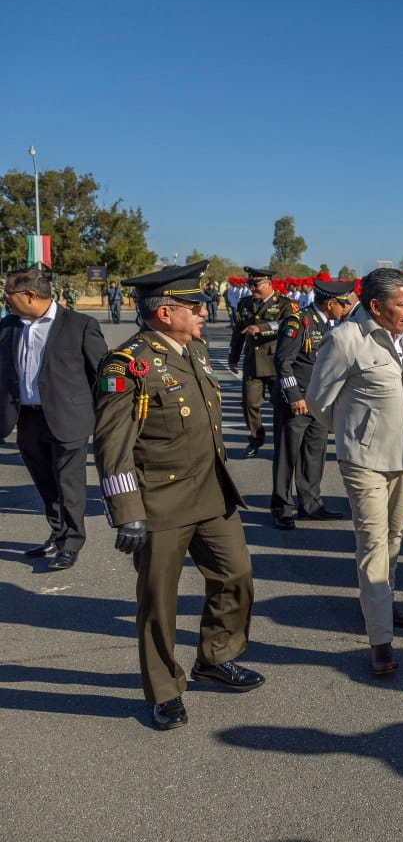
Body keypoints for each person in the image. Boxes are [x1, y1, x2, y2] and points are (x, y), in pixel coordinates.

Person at [93, 261, 263, 730]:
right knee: (158, 601)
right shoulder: (127, 365)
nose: (205, 312)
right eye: (196, 305)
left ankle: (215, 656)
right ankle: (164, 689)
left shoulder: (195, 350)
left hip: (212, 494)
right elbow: (112, 446)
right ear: (165, 312)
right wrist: (126, 512)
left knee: (236, 575)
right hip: (159, 502)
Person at [309, 268, 403, 677]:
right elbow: (319, 402)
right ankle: (380, 638)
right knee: (373, 543)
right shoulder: (346, 339)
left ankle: (384, 601)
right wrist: (354, 435)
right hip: (364, 460)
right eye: (402, 304)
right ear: (375, 307)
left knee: (394, 538)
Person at [1, 266, 107, 570]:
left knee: (69, 483)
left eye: (9, 293)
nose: (5, 298)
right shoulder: (9, 326)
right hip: (27, 418)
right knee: (45, 482)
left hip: (67, 418)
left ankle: (71, 543)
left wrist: (104, 417)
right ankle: (57, 532)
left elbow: (102, 375)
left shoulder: (79, 325)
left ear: (30, 295)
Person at [269, 279, 356, 530]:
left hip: (317, 403)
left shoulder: (331, 324)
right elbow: (283, 362)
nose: (345, 308)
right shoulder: (298, 322)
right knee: (288, 456)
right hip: (295, 402)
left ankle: (310, 504)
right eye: (342, 304)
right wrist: (295, 396)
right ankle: (281, 507)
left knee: (314, 455)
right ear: (330, 304)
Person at [227, 266, 295, 458]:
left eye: (256, 284)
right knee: (249, 404)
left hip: (275, 363)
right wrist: (233, 356)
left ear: (268, 284)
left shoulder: (284, 303)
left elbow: (286, 323)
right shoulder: (245, 303)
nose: (252, 288)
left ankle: (282, 442)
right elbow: (238, 331)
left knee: (281, 406)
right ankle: (255, 439)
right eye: (249, 284)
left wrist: (262, 328)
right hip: (252, 363)